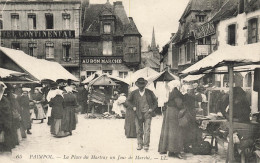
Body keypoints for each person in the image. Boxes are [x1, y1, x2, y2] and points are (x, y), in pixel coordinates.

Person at [126, 77, 158, 151]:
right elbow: (127, 101)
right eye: (140, 86)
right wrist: (133, 107)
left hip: (148, 113)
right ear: (138, 86)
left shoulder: (150, 92)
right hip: (138, 114)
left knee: (147, 130)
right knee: (138, 130)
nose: (141, 87)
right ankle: (140, 144)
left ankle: (146, 145)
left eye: (142, 86)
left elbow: (155, 102)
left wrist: (151, 109)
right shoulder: (134, 93)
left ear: (144, 85)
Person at [158, 80, 184, 159]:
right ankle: (175, 150)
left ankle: (170, 150)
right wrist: (184, 107)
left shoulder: (171, 92)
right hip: (174, 112)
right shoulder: (176, 93)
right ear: (177, 85)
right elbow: (179, 104)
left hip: (169, 112)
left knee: (168, 130)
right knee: (175, 131)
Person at [182, 85, 202, 152]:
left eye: (193, 91)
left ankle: (189, 145)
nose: (192, 92)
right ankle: (186, 146)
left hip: (192, 115)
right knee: (186, 132)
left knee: (191, 131)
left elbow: (199, 100)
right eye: (191, 91)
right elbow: (184, 106)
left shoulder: (193, 97)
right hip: (187, 115)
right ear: (187, 91)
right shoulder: (185, 96)